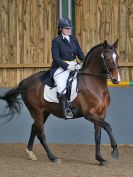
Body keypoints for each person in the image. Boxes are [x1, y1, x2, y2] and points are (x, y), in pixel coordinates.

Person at [50, 17, 85, 118]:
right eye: (66, 28)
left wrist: (85, 61)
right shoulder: (56, 41)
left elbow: (79, 53)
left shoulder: (73, 39)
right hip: (60, 68)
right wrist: (67, 66)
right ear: (60, 29)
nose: (69, 30)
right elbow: (56, 58)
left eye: (70, 28)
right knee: (61, 87)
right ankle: (66, 110)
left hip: (74, 65)